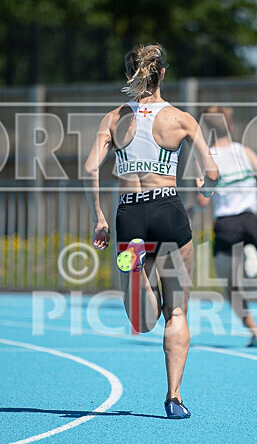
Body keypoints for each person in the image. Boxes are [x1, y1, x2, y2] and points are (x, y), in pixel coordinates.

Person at [83, 44, 218, 419]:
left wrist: (99, 217)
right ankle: (174, 398)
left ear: (130, 75)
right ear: (163, 75)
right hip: (168, 210)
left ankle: (136, 274)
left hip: (129, 213)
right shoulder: (180, 118)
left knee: (142, 322)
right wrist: (205, 191)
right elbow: (213, 175)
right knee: (177, 312)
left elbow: (90, 168)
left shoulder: (112, 119)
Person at [189, 106, 257, 347]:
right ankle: (253, 260)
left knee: (231, 289)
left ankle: (255, 331)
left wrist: (191, 212)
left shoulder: (206, 158)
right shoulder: (244, 152)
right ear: (230, 127)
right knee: (251, 276)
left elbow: (202, 199)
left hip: (227, 225)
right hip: (251, 221)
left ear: (207, 129)